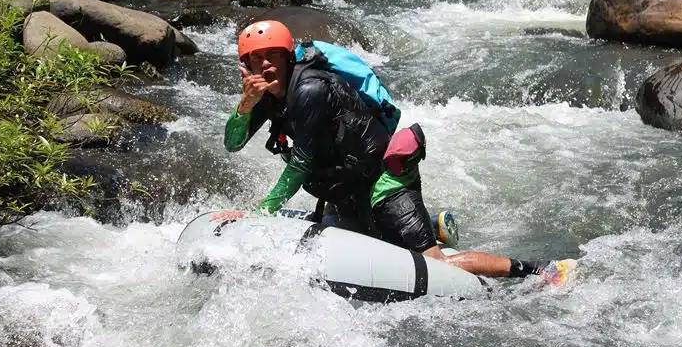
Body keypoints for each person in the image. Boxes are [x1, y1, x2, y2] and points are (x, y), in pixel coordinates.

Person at [223, 19, 570, 281]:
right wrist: (245, 105)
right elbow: (232, 143)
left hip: (382, 181)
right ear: (246, 66)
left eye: (272, 56)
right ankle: (432, 225)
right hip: (345, 187)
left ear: (287, 58)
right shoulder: (263, 96)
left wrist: (264, 211)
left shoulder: (311, 88)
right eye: (257, 59)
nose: (265, 65)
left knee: (434, 263)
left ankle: (540, 269)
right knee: (372, 245)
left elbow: (301, 162)